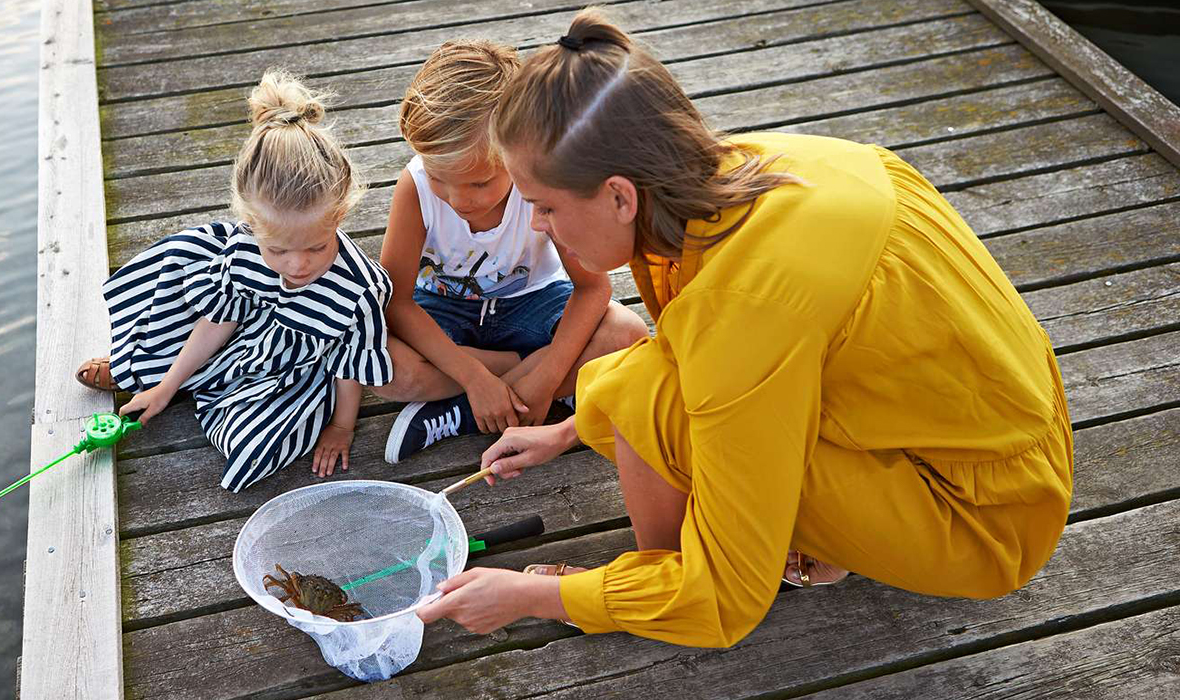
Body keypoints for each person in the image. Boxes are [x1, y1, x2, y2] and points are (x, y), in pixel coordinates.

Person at [417, 9, 1074, 647]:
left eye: (543, 206)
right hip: (1014, 457)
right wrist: (567, 430)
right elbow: (698, 350)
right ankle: (808, 545)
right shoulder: (750, 165)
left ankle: (654, 584)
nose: (536, 226)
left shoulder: (745, 308)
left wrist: (532, 597)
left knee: (637, 394)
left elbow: (724, 599)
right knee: (632, 381)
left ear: (619, 196)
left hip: (982, 524)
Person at [72, 70, 394, 492]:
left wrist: (341, 426)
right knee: (179, 277)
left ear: (340, 215)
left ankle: (189, 384)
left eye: (316, 247)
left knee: (256, 443)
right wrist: (167, 387)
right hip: (244, 330)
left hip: (293, 363)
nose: (298, 265)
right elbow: (217, 320)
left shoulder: (358, 289)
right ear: (251, 224)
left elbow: (348, 367)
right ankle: (145, 372)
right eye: (277, 250)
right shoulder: (244, 247)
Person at [372, 40, 649, 464]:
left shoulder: (539, 183)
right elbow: (397, 301)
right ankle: (512, 387)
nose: (458, 199)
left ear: (515, 153)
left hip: (531, 304)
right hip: (445, 312)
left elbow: (593, 288)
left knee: (626, 333)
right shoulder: (415, 187)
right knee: (381, 364)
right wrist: (475, 377)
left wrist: (546, 379)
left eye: (479, 183)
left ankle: (462, 413)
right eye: (439, 179)